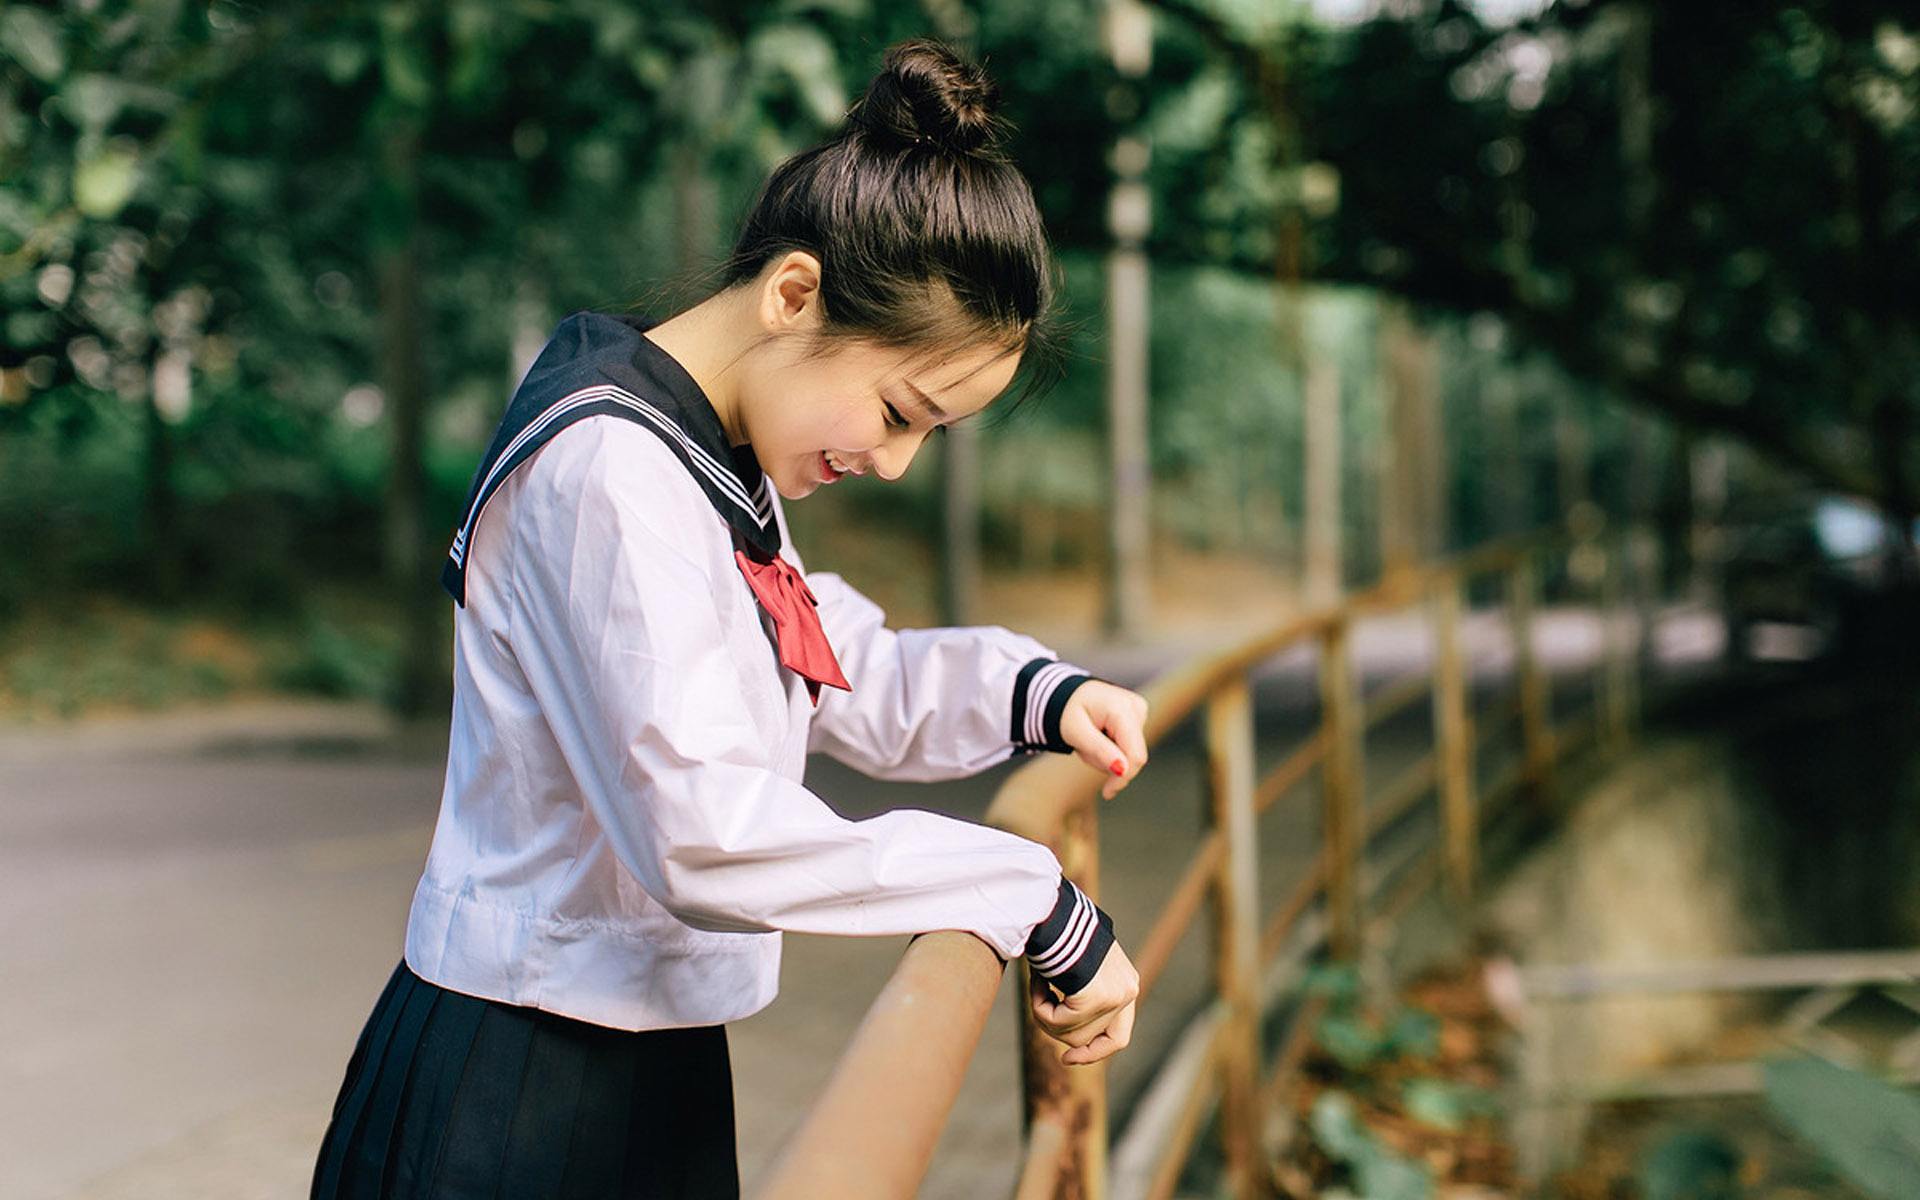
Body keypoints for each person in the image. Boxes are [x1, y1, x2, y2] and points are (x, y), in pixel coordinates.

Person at [310, 37, 1148, 1200]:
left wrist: (1036, 695)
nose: (896, 464)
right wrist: (1026, 896)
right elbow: (704, 828)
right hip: (519, 1086)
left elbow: (827, 656)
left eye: (929, 436)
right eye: (900, 410)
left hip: (640, 1063)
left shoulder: (703, 456)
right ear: (793, 294)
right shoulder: (608, 469)